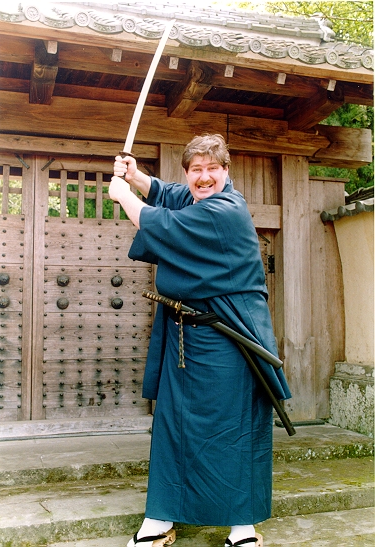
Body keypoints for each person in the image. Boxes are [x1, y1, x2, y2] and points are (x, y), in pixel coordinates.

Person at [109, 134, 291, 547]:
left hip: (229, 342)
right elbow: (169, 194)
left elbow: (163, 222)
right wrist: (138, 178)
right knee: (172, 426)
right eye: (196, 170)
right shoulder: (195, 197)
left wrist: (123, 195)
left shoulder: (227, 210)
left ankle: (241, 526)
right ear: (189, 173)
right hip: (181, 338)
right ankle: (159, 518)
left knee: (232, 429)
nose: (204, 177)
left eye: (213, 169)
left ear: (226, 172)